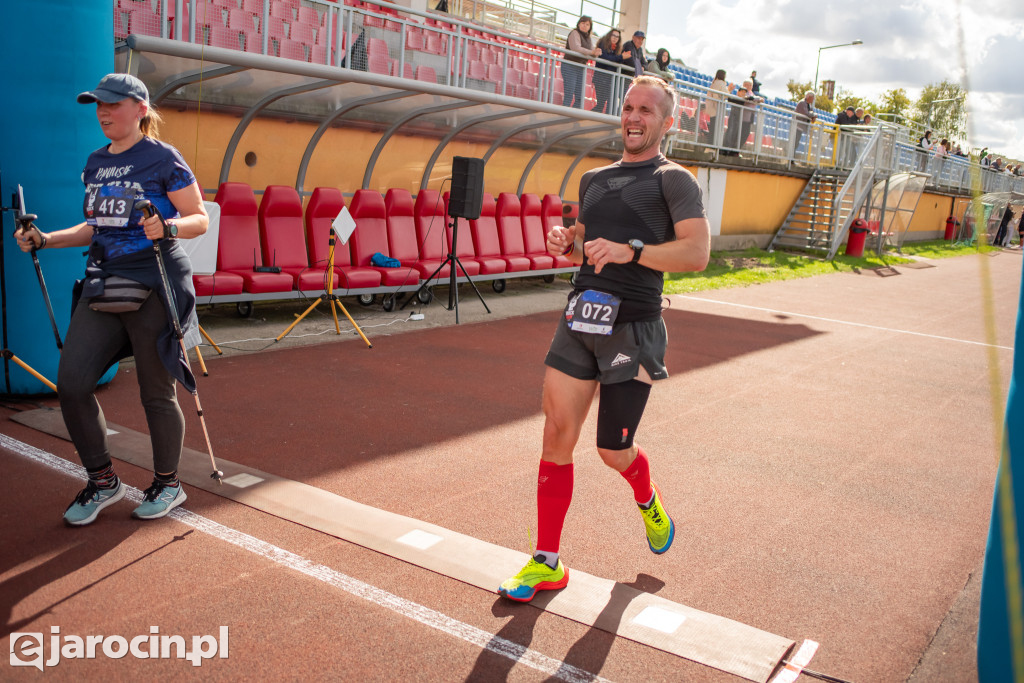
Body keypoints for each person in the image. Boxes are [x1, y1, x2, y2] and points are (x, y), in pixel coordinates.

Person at [497, 75, 711, 602]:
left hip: (633, 325)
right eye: (629, 108)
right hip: (580, 317)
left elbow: (696, 255)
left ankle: (646, 493)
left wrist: (632, 251)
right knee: (555, 434)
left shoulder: (674, 180)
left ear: (667, 121)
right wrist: (565, 246)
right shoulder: (594, 178)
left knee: (612, 452)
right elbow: (587, 252)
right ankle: (547, 561)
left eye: (646, 110)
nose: (634, 118)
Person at [15, 73, 209, 526]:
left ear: (141, 109)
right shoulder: (95, 162)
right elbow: (93, 229)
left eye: (114, 104)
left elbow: (198, 216)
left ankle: (168, 483)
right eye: (98, 104)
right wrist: (45, 239)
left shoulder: (164, 158)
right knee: (73, 382)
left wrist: (170, 227)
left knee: (155, 392)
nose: (103, 111)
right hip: (104, 281)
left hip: (157, 281)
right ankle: (102, 481)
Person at [561, 15, 601, 109]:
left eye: (587, 24)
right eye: (583, 23)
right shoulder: (574, 33)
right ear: (579, 24)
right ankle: (563, 115)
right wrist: (592, 52)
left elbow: (592, 51)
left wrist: (596, 52)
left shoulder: (588, 38)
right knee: (569, 94)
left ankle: (572, 116)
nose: (584, 26)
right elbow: (576, 48)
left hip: (581, 68)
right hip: (570, 66)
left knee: (579, 97)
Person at [591, 28, 624, 114]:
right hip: (601, 79)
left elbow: (616, 60)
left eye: (617, 37)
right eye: (613, 35)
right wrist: (620, 57)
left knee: (610, 103)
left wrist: (620, 58)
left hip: (609, 80)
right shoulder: (603, 44)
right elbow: (606, 58)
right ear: (609, 35)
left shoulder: (616, 49)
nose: (615, 38)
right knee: (601, 104)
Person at [704, 68, 729, 146]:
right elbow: (726, 95)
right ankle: (714, 145)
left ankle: (711, 144)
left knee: (713, 128)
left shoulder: (714, 83)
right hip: (717, 109)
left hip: (712, 108)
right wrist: (730, 90)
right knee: (716, 128)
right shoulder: (721, 83)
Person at [792, 90, 816, 158]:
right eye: (812, 97)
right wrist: (813, 115)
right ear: (808, 97)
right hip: (797, 126)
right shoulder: (802, 103)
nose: (813, 99)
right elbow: (806, 113)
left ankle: (792, 158)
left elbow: (812, 112)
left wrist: (813, 115)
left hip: (800, 127)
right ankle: (791, 158)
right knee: (794, 143)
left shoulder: (808, 105)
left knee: (796, 143)